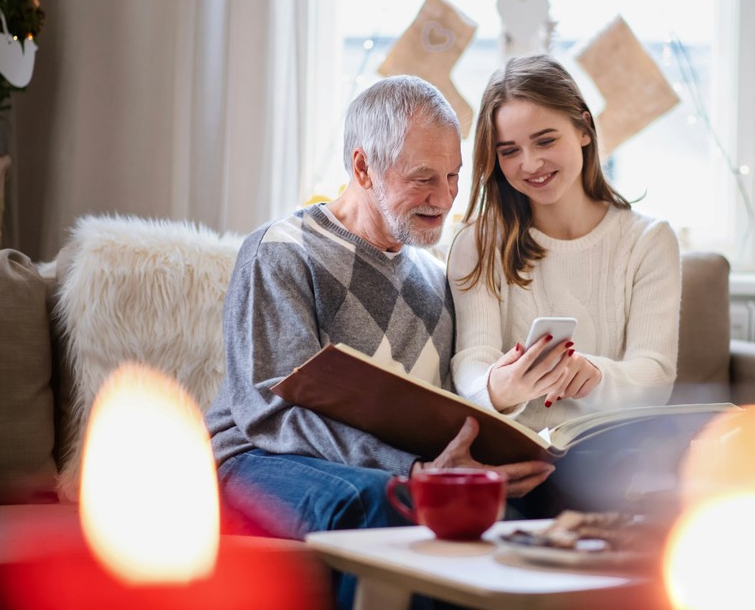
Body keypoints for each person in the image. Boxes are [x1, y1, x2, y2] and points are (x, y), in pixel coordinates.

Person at [206, 75, 553, 609]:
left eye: (454, 176)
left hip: (392, 463)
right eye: (423, 179)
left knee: (520, 518)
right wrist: (409, 471)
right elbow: (269, 413)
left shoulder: (437, 277)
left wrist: (480, 461)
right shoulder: (281, 251)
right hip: (257, 457)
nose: (444, 198)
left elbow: (432, 412)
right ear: (363, 167)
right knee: (380, 502)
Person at [447, 55, 681, 510]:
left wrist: (592, 377)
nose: (529, 163)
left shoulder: (649, 241)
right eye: (509, 150)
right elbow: (472, 358)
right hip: (518, 466)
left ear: (584, 130)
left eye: (544, 140)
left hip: (613, 464)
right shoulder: (478, 243)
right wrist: (502, 386)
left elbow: (655, 377)